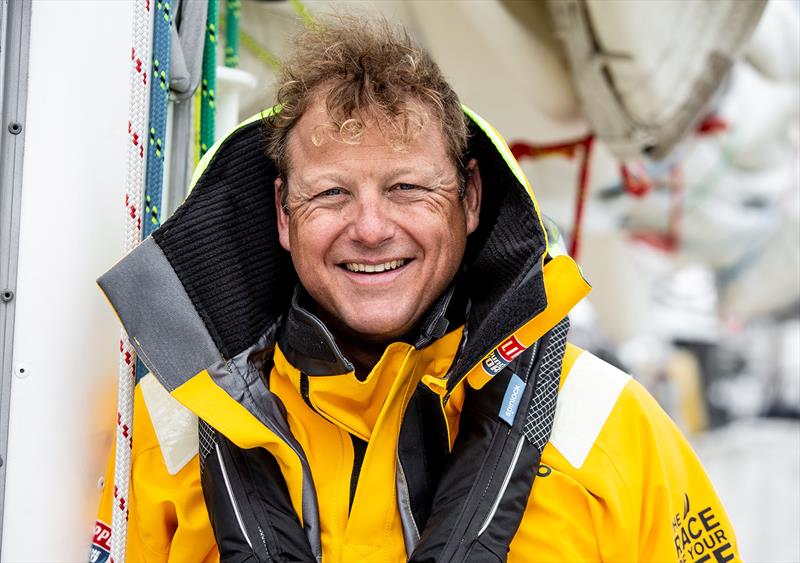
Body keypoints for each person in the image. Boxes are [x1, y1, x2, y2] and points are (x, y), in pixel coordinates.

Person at [93, 17, 739, 563]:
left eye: (407, 187)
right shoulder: (161, 433)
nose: (371, 228)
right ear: (284, 216)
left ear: (471, 199)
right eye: (330, 193)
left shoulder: (611, 431)